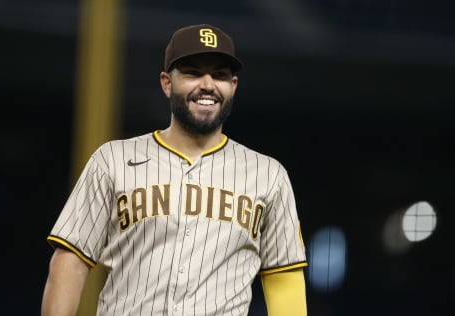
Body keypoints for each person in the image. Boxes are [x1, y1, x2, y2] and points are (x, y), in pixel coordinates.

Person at [41, 24, 308, 316]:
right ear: (167, 83)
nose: (207, 85)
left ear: (233, 86)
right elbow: (70, 261)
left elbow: (284, 278)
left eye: (219, 75)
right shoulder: (112, 159)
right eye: (193, 72)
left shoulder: (268, 175)